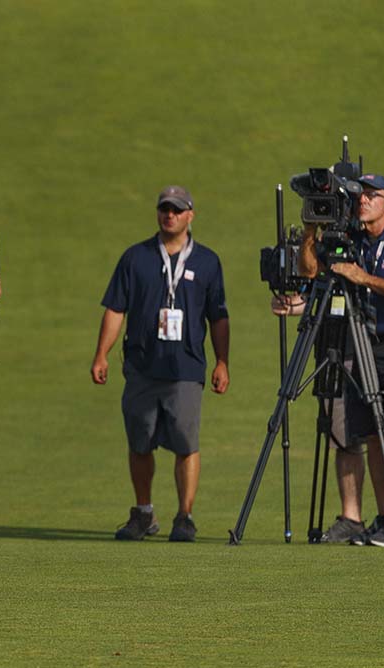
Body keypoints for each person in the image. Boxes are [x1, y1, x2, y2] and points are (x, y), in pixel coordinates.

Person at [91, 185, 230, 542]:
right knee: (139, 442)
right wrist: (101, 354)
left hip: (185, 367)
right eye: (164, 209)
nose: (170, 215)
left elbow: (218, 317)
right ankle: (143, 512)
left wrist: (222, 362)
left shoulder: (207, 262)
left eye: (177, 209)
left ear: (190, 215)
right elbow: (115, 309)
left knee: (186, 442)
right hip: (141, 364)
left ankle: (184, 515)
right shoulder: (135, 258)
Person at [299, 173, 384, 547]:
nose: (362, 202)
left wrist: (364, 278)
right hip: (360, 346)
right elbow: (310, 270)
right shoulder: (352, 239)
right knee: (372, 435)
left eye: (371, 196)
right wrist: (311, 231)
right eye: (360, 196)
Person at [269, 293, 365, 542]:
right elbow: (319, 292)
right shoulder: (322, 259)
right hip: (329, 346)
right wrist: (293, 304)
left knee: (383, 437)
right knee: (341, 434)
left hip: (367, 344)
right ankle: (352, 517)